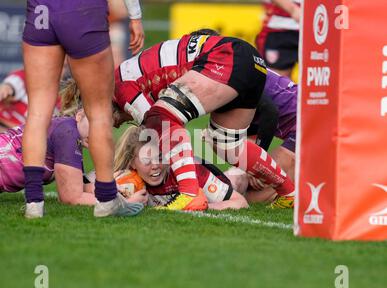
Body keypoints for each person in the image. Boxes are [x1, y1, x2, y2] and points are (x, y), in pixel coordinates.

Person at [113, 28, 295, 211]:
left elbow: (157, 126)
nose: (119, 124)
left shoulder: (119, 86)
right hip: (251, 61)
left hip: (229, 57)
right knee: (227, 144)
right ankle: (289, 193)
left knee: (161, 119)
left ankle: (189, 193)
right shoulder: (130, 78)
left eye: (116, 121)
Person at [21, 0, 143, 218]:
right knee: (99, 113)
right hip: (82, 10)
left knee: (38, 112)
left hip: (41, 10)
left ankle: (33, 202)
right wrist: (135, 15)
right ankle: (106, 199)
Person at [114, 125, 249, 210]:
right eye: (146, 160)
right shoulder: (126, 179)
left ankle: (250, 174)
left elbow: (240, 202)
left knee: (238, 180)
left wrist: (205, 206)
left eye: (160, 157)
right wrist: (127, 203)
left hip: (210, 173)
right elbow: (94, 196)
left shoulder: (187, 172)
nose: (155, 165)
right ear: (132, 163)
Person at [225, 69, 297, 204]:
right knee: (245, 179)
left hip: (305, 117)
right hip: (295, 115)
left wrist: (257, 164)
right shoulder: (227, 73)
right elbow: (253, 128)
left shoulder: (233, 74)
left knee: (257, 196)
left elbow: (270, 112)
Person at [255, 0, 301, 78]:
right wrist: (293, 9)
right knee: (278, 83)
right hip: (279, 28)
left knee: (317, 81)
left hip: (316, 27)